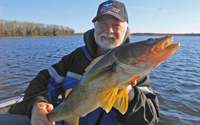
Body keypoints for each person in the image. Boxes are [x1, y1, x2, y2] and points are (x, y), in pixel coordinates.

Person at [22, 0, 160, 125]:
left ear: (126, 29)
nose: (109, 30)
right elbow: (41, 82)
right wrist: (36, 104)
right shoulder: (75, 57)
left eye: (116, 25)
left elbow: (150, 118)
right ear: (94, 26)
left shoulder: (137, 69)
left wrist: (129, 94)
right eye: (103, 23)